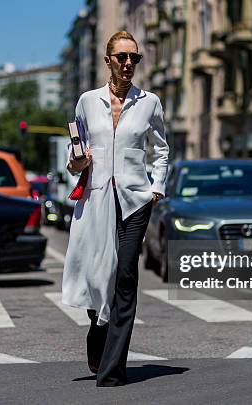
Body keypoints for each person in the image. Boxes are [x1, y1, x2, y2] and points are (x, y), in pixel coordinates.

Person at [61, 31, 169, 387]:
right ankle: (98, 330)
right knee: (98, 275)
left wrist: (156, 188)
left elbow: (162, 149)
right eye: (121, 57)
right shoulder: (87, 102)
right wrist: (77, 162)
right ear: (107, 60)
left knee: (125, 275)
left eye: (134, 58)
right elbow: (73, 154)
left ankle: (113, 368)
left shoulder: (149, 102)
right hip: (97, 199)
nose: (128, 64)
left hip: (135, 200)